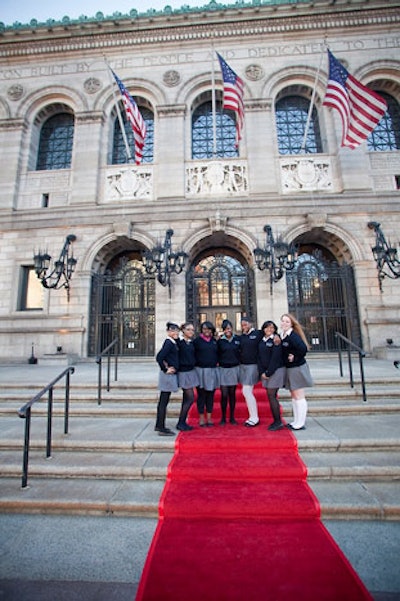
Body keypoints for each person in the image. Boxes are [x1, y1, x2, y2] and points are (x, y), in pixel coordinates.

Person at [280, 313, 313, 430]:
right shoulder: (282, 335)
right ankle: (296, 420)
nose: (284, 323)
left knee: (299, 395)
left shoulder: (293, 336)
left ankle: (301, 422)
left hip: (297, 368)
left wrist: (295, 356)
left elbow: (303, 349)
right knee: (294, 395)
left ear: (292, 324)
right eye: (283, 321)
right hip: (289, 369)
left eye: (287, 322)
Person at [258, 320, 286, 431]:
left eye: (271, 328)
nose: (269, 330)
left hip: (276, 371)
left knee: (272, 395)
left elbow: (275, 358)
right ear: (263, 329)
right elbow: (259, 357)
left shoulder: (276, 340)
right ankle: (276, 420)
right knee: (270, 396)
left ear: (274, 329)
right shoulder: (262, 341)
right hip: (265, 372)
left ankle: (278, 421)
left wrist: (268, 372)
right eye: (267, 327)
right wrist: (261, 372)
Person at [155, 321, 180, 436]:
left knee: (164, 400)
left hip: (169, 374)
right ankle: (160, 426)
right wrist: (165, 369)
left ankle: (159, 425)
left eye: (176, 330)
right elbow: (159, 357)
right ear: (168, 332)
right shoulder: (168, 342)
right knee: (163, 400)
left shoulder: (173, 342)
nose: (175, 332)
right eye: (172, 330)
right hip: (167, 376)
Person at [193, 320, 219, 427]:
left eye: (208, 329)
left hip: (212, 371)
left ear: (212, 330)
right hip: (200, 371)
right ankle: (201, 418)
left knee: (210, 396)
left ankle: (209, 418)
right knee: (201, 396)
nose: (206, 331)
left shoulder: (215, 341)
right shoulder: (197, 341)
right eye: (204, 329)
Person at [239, 316, 263, 427]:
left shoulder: (258, 334)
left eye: (245, 324)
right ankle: (253, 416)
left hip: (253, 366)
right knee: (246, 391)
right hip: (243, 366)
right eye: (242, 325)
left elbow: (269, 336)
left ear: (251, 324)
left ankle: (254, 417)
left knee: (246, 391)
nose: (244, 327)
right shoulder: (242, 337)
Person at [217, 319, 241, 425]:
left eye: (229, 328)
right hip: (223, 369)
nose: (228, 330)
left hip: (234, 368)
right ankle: (223, 417)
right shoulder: (220, 341)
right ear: (223, 330)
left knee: (232, 394)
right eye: (226, 329)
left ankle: (232, 417)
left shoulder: (237, 339)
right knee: (224, 394)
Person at [176, 322, 199, 431]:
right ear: (183, 330)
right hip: (183, 372)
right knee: (190, 397)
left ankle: (182, 421)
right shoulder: (179, 343)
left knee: (186, 398)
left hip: (191, 371)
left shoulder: (192, 343)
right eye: (189, 329)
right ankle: (181, 422)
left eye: (192, 330)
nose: (191, 332)